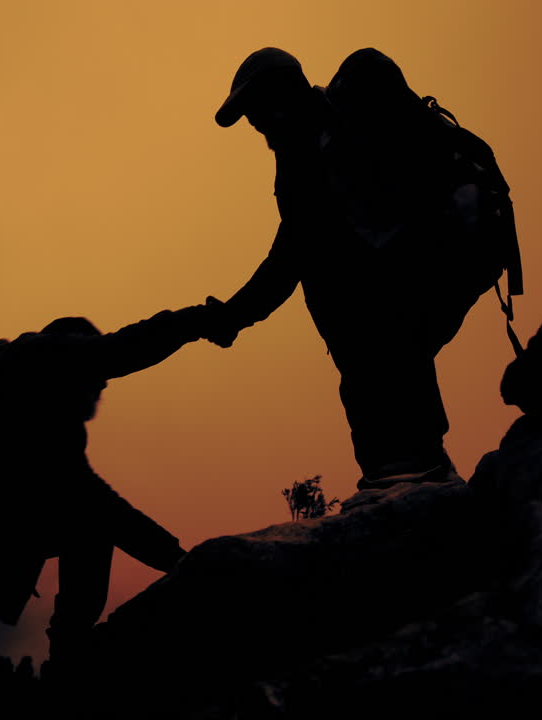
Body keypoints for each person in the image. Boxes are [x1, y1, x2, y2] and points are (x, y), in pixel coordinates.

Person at [206, 47, 505, 490]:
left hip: (439, 255)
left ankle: (419, 467)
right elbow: (296, 250)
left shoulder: (334, 138)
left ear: (283, 94)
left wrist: (234, 315)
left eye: (257, 110)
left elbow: (290, 257)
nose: (254, 124)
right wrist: (235, 315)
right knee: (377, 346)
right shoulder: (312, 144)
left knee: (384, 340)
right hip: (450, 254)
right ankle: (403, 467)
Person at [0, 305, 213, 676]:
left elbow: (103, 507)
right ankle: (68, 657)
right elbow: (105, 511)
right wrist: (183, 563)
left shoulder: (42, 420)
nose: (101, 387)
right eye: (94, 374)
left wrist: (180, 560)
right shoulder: (18, 399)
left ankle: (65, 656)